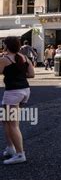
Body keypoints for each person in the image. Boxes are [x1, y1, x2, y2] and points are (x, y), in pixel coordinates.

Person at [0, 36, 35, 164]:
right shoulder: (24, 58)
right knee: (5, 119)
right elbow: (31, 74)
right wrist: (19, 74)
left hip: (13, 92)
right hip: (25, 90)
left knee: (13, 124)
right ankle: (10, 148)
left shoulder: (5, 59)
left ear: (6, 46)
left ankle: (20, 154)